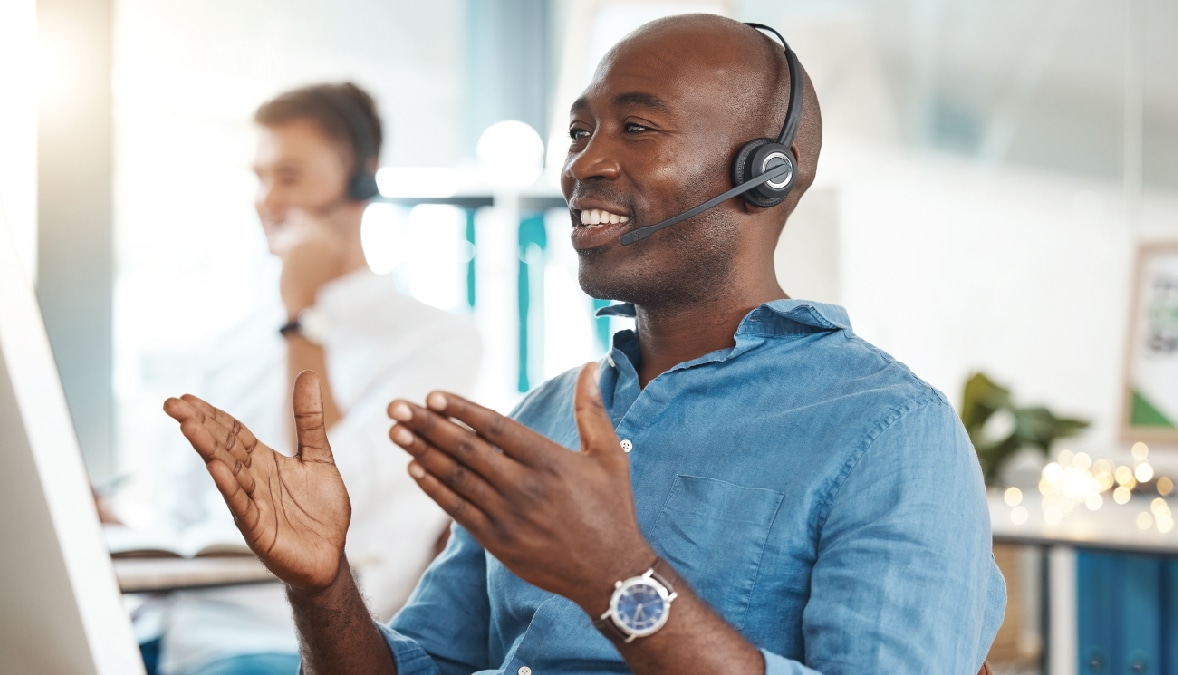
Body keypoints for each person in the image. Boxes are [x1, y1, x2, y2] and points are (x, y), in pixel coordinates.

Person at [164, 16, 1005, 674]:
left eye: (636, 128)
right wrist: (321, 586)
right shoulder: (547, 413)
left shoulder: (890, 434)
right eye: (578, 133)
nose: (584, 165)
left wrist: (621, 578)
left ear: (765, 173)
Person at [156, 82, 482, 675]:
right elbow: (179, 512)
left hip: (291, 642)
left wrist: (301, 316)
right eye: (259, 178)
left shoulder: (436, 340)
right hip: (181, 634)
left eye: (290, 177)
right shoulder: (234, 340)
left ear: (361, 178)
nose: (266, 201)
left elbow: (324, 489)